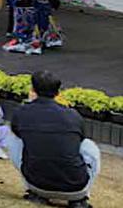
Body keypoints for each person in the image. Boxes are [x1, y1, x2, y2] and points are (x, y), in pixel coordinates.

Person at [7, 71, 100, 207]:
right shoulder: (73, 115)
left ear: (32, 89)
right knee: (88, 145)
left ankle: (34, 192)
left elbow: (18, 134)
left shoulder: (21, 112)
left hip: (37, 185)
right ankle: (80, 199)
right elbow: (80, 140)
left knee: (15, 138)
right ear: (58, 92)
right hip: (76, 188)